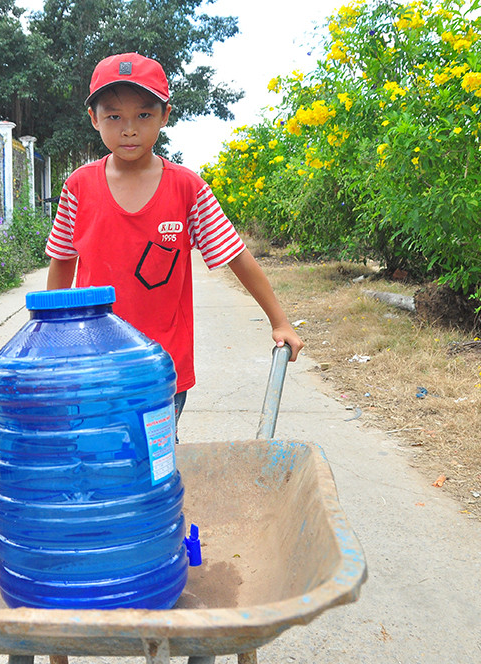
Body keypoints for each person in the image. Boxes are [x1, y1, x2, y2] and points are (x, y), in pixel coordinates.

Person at [45, 52, 304, 427]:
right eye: (114, 116)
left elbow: (236, 254)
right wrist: (50, 335)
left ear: (165, 115)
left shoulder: (187, 188)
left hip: (162, 364)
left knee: (157, 450)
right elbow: (62, 260)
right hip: (92, 360)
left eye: (143, 115)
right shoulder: (78, 187)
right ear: (94, 118)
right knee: (100, 448)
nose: (129, 129)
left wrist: (280, 322)